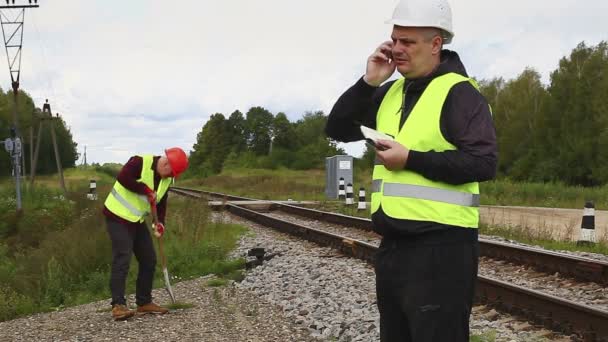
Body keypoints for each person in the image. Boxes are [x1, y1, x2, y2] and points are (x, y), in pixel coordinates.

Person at [325, 0, 497, 340]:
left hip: (443, 249)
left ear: (436, 44)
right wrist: (369, 81)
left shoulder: (460, 94)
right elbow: (338, 128)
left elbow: (483, 163)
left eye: (408, 42)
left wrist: (411, 159)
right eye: (395, 40)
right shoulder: (390, 92)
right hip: (394, 247)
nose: (397, 49)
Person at [103, 147, 189, 321]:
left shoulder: (167, 180)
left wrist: (160, 223)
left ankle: (144, 302)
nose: (170, 177)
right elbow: (123, 178)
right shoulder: (139, 162)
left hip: (136, 220)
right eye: (170, 172)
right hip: (117, 216)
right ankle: (118, 305)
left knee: (149, 258)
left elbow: (161, 202)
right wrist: (145, 190)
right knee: (123, 257)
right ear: (165, 163)